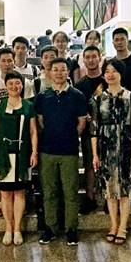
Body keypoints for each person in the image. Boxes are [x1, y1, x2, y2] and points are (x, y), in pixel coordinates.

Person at [35, 58, 87, 246]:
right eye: (55, 69)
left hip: (69, 151)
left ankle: (71, 228)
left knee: (70, 191)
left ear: (68, 72)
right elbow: (40, 122)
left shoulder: (77, 95)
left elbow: (81, 123)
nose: (58, 73)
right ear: (49, 72)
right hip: (47, 150)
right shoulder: (43, 96)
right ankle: (51, 228)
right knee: (49, 191)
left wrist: (69, 136)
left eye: (62, 69)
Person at [90, 58, 131, 244]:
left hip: (126, 147)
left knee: (125, 189)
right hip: (106, 148)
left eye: (114, 71)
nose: (110, 75)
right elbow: (94, 129)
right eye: (107, 71)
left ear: (121, 73)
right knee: (109, 190)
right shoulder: (98, 99)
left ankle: (123, 227)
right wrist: (95, 154)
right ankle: (113, 224)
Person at [0, 71, 38, 246]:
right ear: (6, 86)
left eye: (17, 83)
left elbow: (33, 131)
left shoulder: (28, 106)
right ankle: (8, 228)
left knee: (20, 192)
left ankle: (17, 229)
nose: (14, 86)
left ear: (22, 85)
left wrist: (34, 152)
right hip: (3, 154)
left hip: (22, 154)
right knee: (6, 194)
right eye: (11, 84)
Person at [74, 45, 105, 214]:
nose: (91, 60)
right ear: (83, 60)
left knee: (107, 163)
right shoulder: (80, 85)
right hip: (88, 132)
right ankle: (90, 196)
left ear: (100, 58)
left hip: (108, 129)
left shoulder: (108, 79)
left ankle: (109, 197)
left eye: (94, 56)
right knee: (89, 164)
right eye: (88, 57)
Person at [112, 27, 131, 92]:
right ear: (113, 42)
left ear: (127, 41)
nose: (119, 42)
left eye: (122, 39)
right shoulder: (111, 64)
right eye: (116, 40)